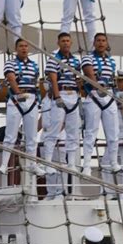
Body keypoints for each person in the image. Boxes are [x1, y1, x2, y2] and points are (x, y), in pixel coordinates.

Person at [0, 39, 44, 176]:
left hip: (31, 100)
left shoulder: (34, 65)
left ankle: (32, 164)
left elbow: (36, 83)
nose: (24, 48)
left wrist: (38, 99)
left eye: (26, 46)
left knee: (32, 136)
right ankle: (4, 164)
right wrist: (17, 92)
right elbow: (11, 78)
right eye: (21, 46)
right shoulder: (10, 63)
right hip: (16, 100)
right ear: (16, 48)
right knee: (10, 135)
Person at [42, 32, 82, 173]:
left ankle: (70, 163)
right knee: (54, 130)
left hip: (73, 96)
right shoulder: (53, 59)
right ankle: (47, 163)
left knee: (73, 131)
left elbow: (78, 79)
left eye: (68, 41)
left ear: (71, 43)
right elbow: (53, 79)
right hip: (62, 94)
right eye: (63, 41)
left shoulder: (76, 61)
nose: (66, 43)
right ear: (58, 43)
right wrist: (57, 97)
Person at [81, 33, 119, 176]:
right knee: (91, 132)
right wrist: (98, 88)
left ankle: (114, 162)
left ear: (107, 43)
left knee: (113, 133)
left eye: (103, 41)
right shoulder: (87, 58)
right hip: (94, 96)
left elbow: (112, 78)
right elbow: (90, 75)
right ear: (94, 43)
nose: (101, 43)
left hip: (109, 96)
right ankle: (86, 165)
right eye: (98, 41)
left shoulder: (111, 61)